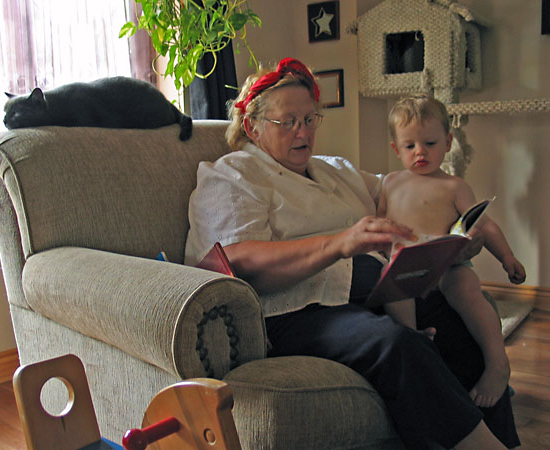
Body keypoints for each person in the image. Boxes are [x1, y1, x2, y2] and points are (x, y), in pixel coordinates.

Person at [184, 57, 520, 449]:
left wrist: (459, 228)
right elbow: (238, 259)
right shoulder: (232, 174)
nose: (303, 132)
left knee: (458, 323)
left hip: (378, 295)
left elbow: (408, 190)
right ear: (252, 127)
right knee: (394, 343)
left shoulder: (335, 170)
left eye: (310, 119)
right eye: (288, 122)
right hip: (297, 310)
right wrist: (340, 243)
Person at [378, 94, 526, 409]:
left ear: (447, 143)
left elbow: (484, 225)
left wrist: (507, 257)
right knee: (394, 290)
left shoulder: (454, 186)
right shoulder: (389, 183)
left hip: (448, 264)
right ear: (396, 149)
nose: (420, 151)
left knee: (468, 290)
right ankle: (415, 342)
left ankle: (497, 362)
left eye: (430, 143)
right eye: (410, 146)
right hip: (407, 264)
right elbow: (376, 224)